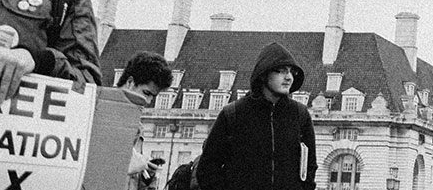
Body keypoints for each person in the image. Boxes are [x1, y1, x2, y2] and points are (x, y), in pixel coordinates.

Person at [195, 41, 317, 190]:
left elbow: (310, 167)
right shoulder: (233, 114)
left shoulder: (300, 115)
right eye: (281, 71)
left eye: (292, 72)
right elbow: (207, 168)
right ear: (263, 74)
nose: (289, 77)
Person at [118, 50, 174, 189]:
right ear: (130, 82)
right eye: (146, 93)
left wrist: (145, 178)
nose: (148, 101)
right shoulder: (100, 113)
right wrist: (124, 167)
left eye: (152, 97)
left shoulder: (136, 126)